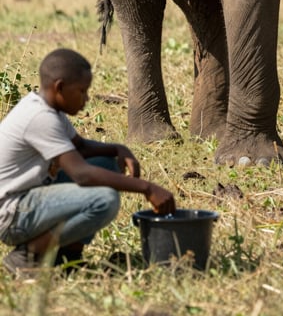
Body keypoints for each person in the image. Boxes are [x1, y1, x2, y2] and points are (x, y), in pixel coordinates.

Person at [0, 48, 176, 275]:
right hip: (12, 214)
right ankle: (28, 255)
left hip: (27, 198)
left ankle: (66, 257)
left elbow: (80, 148)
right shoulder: (40, 118)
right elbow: (81, 174)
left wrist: (118, 149)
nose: (86, 99)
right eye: (82, 91)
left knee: (106, 162)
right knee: (103, 200)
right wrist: (147, 188)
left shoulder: (48, 109)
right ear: (59, 87)